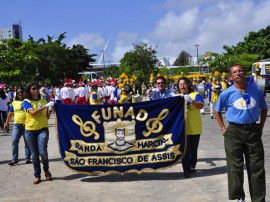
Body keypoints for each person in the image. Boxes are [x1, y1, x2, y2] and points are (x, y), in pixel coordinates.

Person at [214, 64, 267, 202]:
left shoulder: (256, 90)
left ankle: (258, 198)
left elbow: (264, 108)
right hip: (233, 132)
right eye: (234, 72)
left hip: (252, 131)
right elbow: (217, 110)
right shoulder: (226, 93)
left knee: (256, 166)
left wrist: (260, 127)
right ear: (231, 77)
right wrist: (223, 128)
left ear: (245, 73)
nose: (238, 73)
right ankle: (238, 197)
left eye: (240, 71)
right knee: (234, 166)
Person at [23, 82, 55, 184]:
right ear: (29, 91)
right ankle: (37, 175)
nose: (36, 90)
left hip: (43, 129)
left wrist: (49, 110)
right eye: (33, 89)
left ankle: (46, 170)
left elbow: (47, 117)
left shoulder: (43, 100)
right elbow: (32, 113)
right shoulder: (26, 101)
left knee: (43, 152)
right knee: (34, 155)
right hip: (30, 130)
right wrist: (45, 106)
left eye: (37, 88)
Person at [176, 77, 204, 178]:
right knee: (185, 150)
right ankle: (186, 170)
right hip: (182, 128)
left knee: (193, 149)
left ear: (188, 85)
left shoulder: (195, 95)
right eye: (180, 84)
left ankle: (192, 165)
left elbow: (200, 106)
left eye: (184, 84)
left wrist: (191, 100)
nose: (182, 85)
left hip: (195, 127)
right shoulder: (176, 96)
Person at [4, 87, 32, 165]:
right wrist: (6, 123)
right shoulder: (14, 103)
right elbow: (10, 114)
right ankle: (14, 159)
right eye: (18, 92)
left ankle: (27, 158)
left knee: (27, 142)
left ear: (25, 93)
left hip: (27, 125)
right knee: (14, 141)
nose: (20, 93)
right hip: (17, 125)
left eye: (22, 92)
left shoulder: (28, 101)